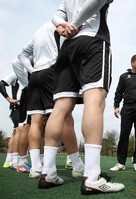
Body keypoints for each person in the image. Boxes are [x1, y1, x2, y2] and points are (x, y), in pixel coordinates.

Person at [41, 0, 124, 194]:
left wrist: (63, 25)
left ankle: (48, 173)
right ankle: (92, 176)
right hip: (92, 38)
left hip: (67, 48)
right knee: (94, 101)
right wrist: (75, 23)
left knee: (60, 108)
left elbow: (57, 15)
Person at [18, 22, 84, 179]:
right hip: (52, 72)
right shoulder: (61, 26)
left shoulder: (38, 31)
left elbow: (21, 55)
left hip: (35, 76)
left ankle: (36, 167)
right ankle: (78, 165)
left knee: (35, 122)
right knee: (66, 118)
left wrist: (33, 70)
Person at [0, 73, 22, 169]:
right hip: (18, 107)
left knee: (15, 132)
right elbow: (1, 84)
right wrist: (9, 99)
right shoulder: (16, 74)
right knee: (18, 131)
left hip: (24, 107)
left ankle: (9, 160)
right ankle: (15, 160)